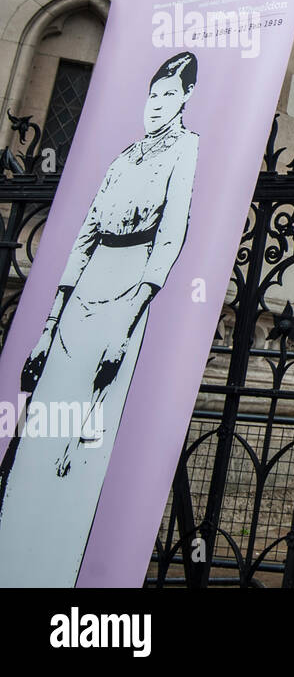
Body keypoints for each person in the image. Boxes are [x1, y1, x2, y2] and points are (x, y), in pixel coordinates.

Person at [0, 51, 200, 586]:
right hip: (83, 292)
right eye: (151, 95)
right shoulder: (123, 158)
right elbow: (86, 233)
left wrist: (132, 317)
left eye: (166, 96)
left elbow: (171, 234)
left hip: (128, 288)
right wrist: (49, 322)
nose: (155, 106)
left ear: (184, 99)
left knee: (88, 425)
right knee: (47, 418)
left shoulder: (187, 150)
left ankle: (61, 563)